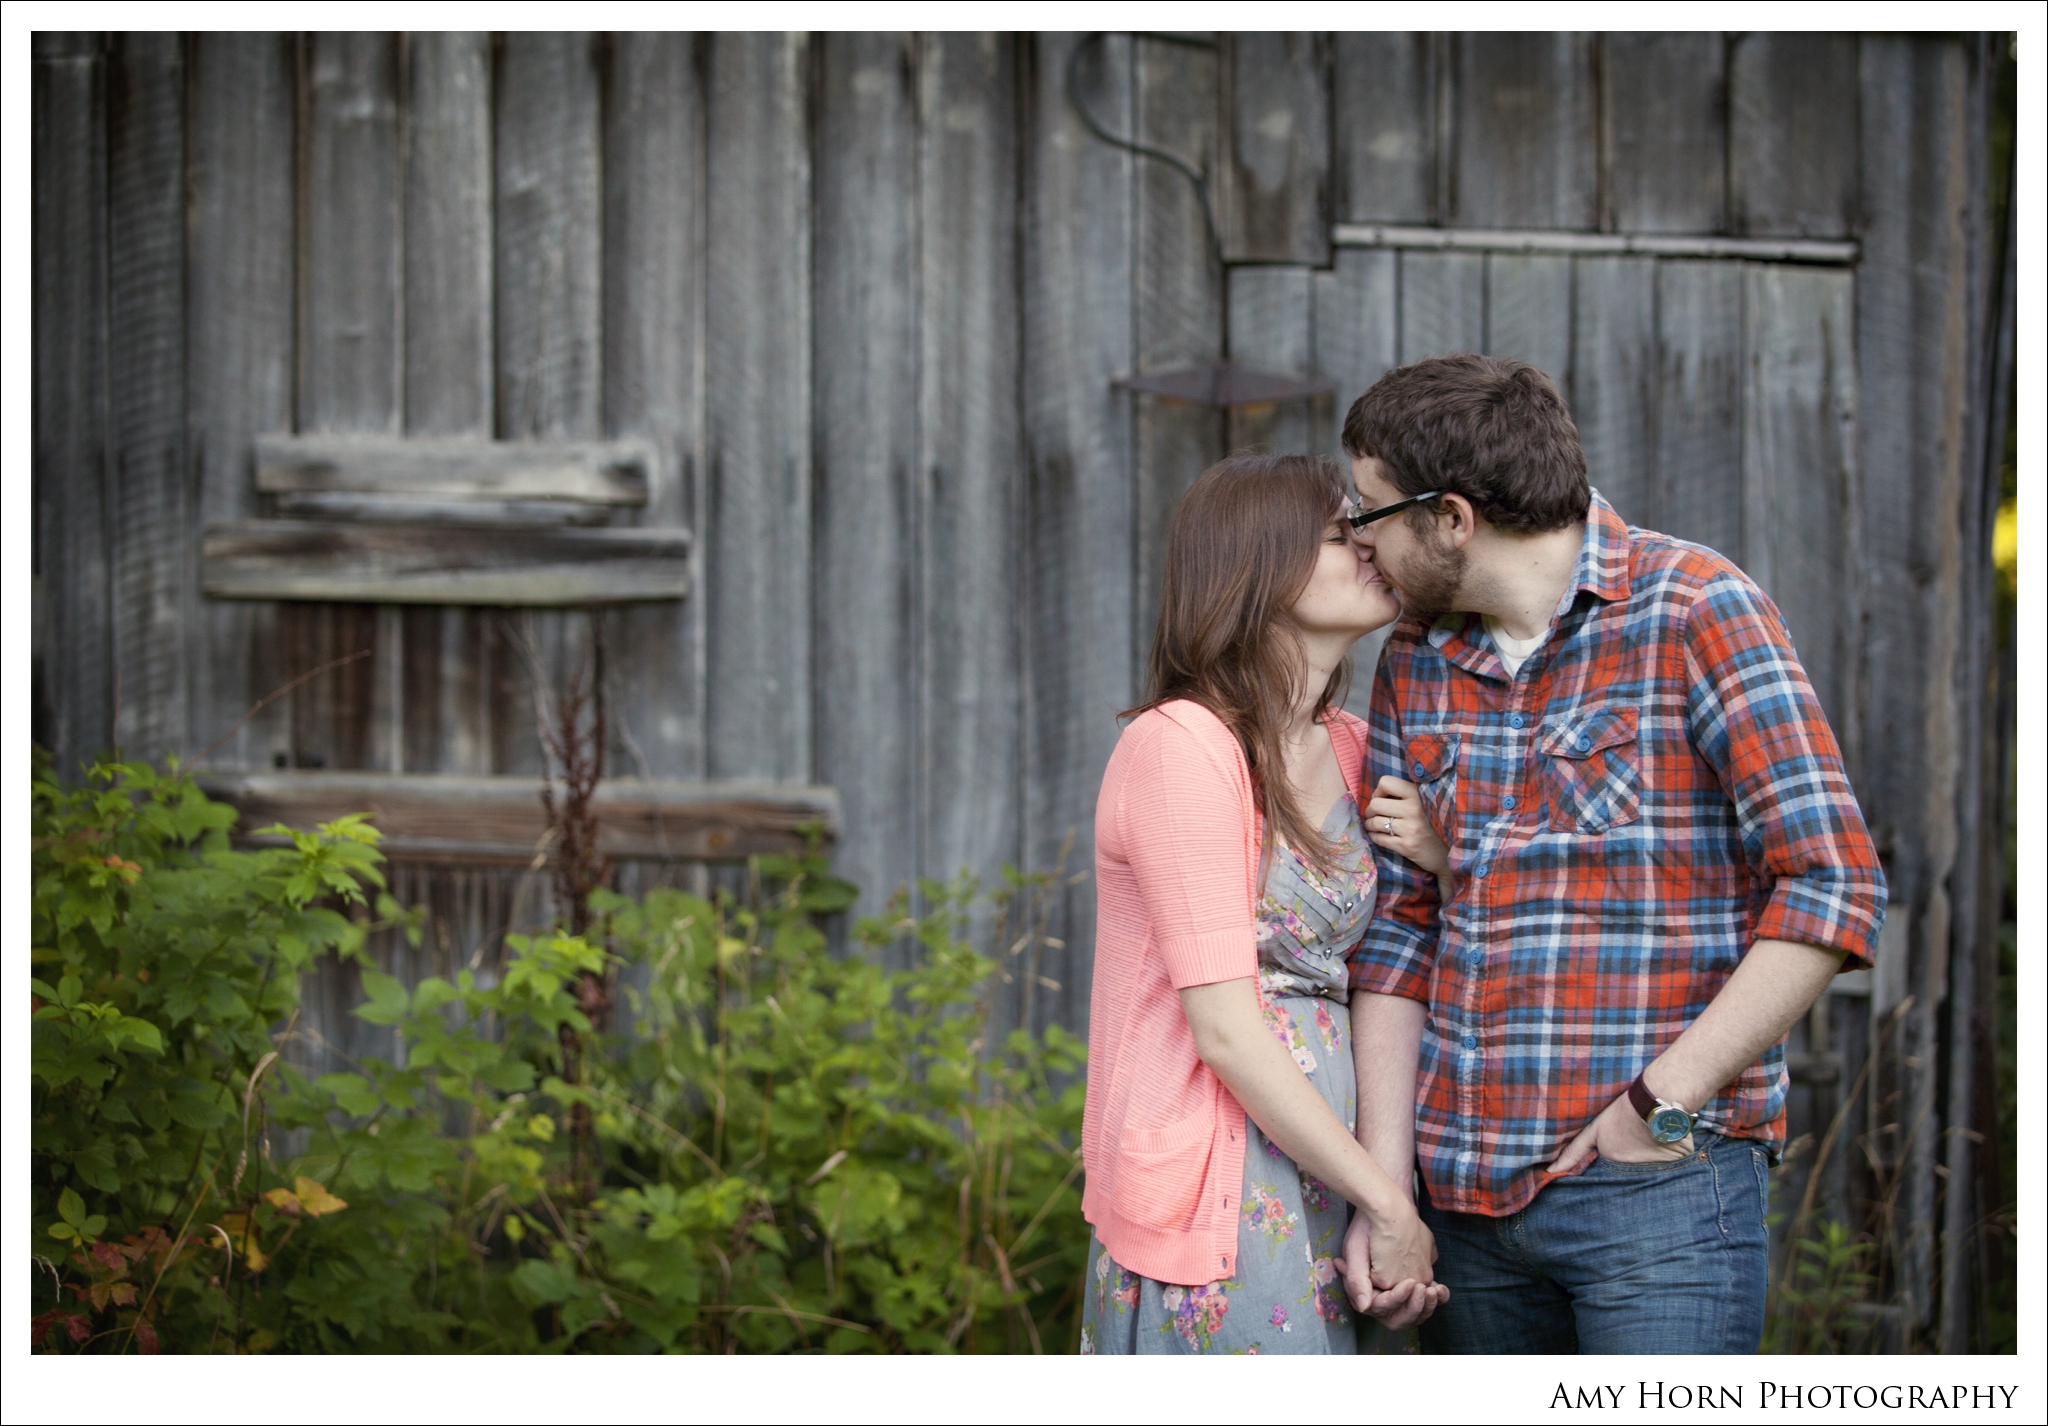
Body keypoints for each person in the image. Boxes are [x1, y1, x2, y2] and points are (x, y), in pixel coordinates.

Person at [1338, 354, 1888, 1354]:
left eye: (1368, 510)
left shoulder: (1694, 611)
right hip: (1463, 1211)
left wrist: (1655, 1106)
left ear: (1450, 517)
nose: (1355, 537)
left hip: (1654, 1199)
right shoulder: (1415, 657)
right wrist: (1387, 1193)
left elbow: (1831, 883)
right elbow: (1400, 930)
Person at [1078, 452, 1451, 1355]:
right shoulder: (1183, 746)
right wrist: (1386, 1201)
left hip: (1337, 1161)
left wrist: (1444, 861)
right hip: (1226, 1175)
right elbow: (1228, 1029)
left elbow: (1399, 965)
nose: (1370, 549)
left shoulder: (1359, 750)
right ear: (1259, 565)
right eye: (1338, 534)